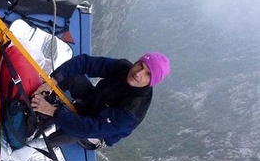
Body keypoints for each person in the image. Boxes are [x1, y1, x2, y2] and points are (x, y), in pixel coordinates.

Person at [30, 52, 170, 148]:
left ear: (151, 82)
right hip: (94, 101)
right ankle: (39, 98)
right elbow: (86, 62)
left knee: (77, 131)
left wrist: (52, 111)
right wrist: (52, 81)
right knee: (70, 76)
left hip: (99, 128)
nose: (138, 73)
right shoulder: (123, 68)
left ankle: (38, 145)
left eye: (147, 74)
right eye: (140, 65)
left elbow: (88, 128)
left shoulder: (131, 112)